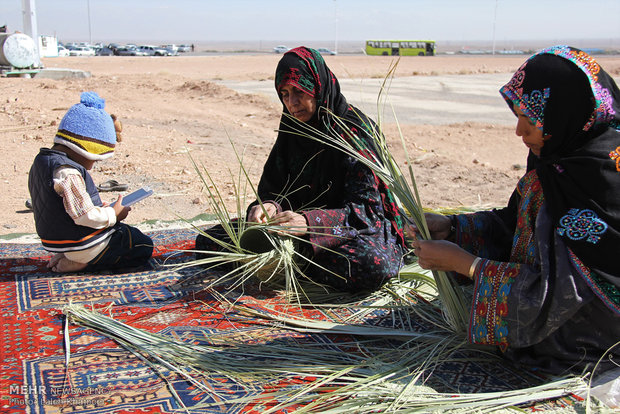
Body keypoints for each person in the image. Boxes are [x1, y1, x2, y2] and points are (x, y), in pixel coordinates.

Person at [410, 46, 620, 377]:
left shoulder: (604, 179)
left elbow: (565, 293)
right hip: (552, 292)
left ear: (567, 115)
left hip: (599, 320)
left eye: (530, 120)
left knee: (540, 345)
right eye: (517, 116)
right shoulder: (553, 160)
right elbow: (513, 226)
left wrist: (468, 265)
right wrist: (452, 228)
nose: (519, 132)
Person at [196, 46, 407, 292]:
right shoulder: (292, 129)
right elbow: (275, 186)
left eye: (299, 91)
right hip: (289, 228)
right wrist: (269, 207)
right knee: (209, 242)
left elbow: (366, 213)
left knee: (371, 265)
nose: (292, 103)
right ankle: (289, 260)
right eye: (284, 94)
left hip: (347, 231)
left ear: (318, 86)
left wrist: (310, 223)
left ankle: (287, 261)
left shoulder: (355, 134)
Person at [28, 91, 153, 273]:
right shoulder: (68, 172)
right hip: (83, 244)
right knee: (141, 244)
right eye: (95, 159)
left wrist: (99, 207)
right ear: (85, 148)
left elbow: (62, 206)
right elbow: (85, 216)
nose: (93, 165)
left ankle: (69, 254)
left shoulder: (42, 161)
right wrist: (113, 214)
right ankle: (82, 262)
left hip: (56, 240)